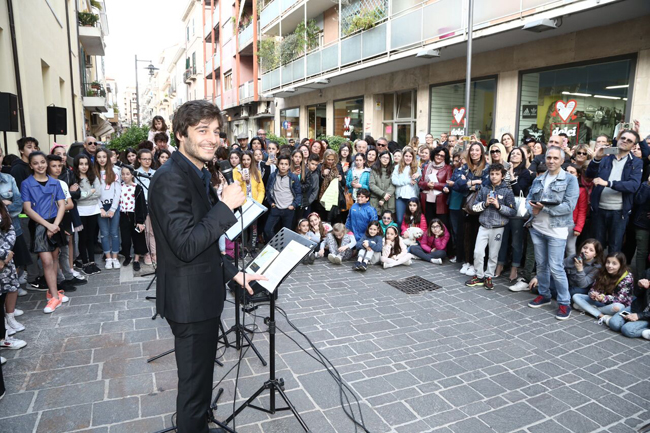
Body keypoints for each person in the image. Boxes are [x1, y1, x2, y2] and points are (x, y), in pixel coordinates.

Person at [148, 100, 264, 433]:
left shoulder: (196, 172)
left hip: (203, 295)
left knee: (199, 385)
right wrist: (225, 206)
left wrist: (234, 272)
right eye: (202, 130)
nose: (213, 138)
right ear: (179, 134)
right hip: (190, 302)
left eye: (216, 131)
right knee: (194, 391)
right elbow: (185, 245)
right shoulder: (171, 179)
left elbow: (205, 243)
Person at [526, 146, 579, 320]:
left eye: (556, 158)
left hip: (557, 230)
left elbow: (569, 206)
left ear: (562, 161)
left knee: (556, 267)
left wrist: (545, 209)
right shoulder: (539, 179)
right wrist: (531, 209)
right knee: (541, 265)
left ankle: (564, 303)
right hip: (538, 228)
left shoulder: (570, 180)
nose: (551, 161)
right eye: (549, 158)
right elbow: (528, 200)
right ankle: (544, 294)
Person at [21, 152, 70, 313]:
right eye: (36, 163)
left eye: (42, 162)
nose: (40, 165)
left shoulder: (55, 183)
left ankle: (53, 291)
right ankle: (54, 297)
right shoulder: (26, 184)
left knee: (55, 259)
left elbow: (62, 205)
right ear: (31, 166)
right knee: (47, 261)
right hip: (39, 225)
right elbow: (28, 209)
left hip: (55, 223)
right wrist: (48, 226)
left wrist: (55, 225)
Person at [586, 129, 642, 253]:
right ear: (618, 139)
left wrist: (608, 183)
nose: (625, 141)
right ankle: (597, 271)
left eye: (629, 140)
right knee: (597, 246)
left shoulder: (636, 162)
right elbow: (589, 174)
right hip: (599, 209)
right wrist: (597, 159)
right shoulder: (606, 157)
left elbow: (633, 185)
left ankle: (611, 272)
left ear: (633, 145)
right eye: (623, 138)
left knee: (615, 247)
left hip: (619, 212)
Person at [465, 163, 516, 290]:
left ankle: (489, 276)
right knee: (478, 252)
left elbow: (512, 211)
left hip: (498, 227)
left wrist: (499, 206)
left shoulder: (507, 191)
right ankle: (479, 275)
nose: (494, 176)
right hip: (483, 226)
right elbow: (474, 207)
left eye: (497, 174)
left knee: (493, 254)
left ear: (502, 176)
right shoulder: (484, 189)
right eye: (492, 174)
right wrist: (485, 204)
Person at [496, 147, 533, 281]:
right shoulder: (503, 169)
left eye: (518, 154)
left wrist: (512, 176)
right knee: (502, 239)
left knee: (516, 242)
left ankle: (514, 267)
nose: (515, 155)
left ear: (523, 158)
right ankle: (500, 265)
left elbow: (519, 190)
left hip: (517, 209)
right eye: (513, 153)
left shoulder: (525, 173)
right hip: (502, 207)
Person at [572, 252, 634, 324]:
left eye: (614, 264)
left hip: (613, 304)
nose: (610, 266)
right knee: (576, 296)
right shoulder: (603, 271)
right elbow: (593, 288)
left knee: (618, 307)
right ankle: (601, 316)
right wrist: (593, 294)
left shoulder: (627, 277)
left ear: (621, 265)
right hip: (600, 302)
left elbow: (621, 299)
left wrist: (603, 298)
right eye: (608, 262)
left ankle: (588, 308)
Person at [458, 142, 490, 276]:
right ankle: (467, 261)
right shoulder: (465, 167)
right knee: (466, 234)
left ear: (481, 152)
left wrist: (469, 183)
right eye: (472, 150)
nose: (474, 153)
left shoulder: (487, 168)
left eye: (477, 150)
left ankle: (475, 264)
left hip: (480, 205)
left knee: (477, 236)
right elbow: (458, 184)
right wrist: (474, 182)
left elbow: (486, 185)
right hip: (466, 205)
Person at [74, 154, 102, 276]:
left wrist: (84, 194)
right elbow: (77, 196)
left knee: (91, 238)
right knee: (83, 238)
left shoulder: (93, 176)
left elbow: (99, 193)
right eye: (81, 164)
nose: (84, 167)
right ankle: (85, 263)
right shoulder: (74, 178)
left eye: (86, 164)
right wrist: (90, 192)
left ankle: (92, 262)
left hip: (93, 210)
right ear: (77, 165)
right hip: (80, 211)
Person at [94, 149, 122, 269]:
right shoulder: (93, 172)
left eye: (104, 157)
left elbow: (118, 191)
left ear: (108, 158)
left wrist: (113, 208)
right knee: (104, 234)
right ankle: (108, 257)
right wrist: (100, 208)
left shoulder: (115, 171)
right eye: (99, 157)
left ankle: (115, 257)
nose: (102, 159)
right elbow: (94, 192)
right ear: (96, 158)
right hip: (100, 206)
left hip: (113, 206)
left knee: (114, 233)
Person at [264, 155, 302, 241]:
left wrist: (293, 205)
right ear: (278, 164)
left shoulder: (293, 177)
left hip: (288, 209)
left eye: (286, 164)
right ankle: (276, 245)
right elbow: (268, 190)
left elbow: (299, 193)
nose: (283, 166)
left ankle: (283, 249)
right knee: (267, 230)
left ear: (289, 166)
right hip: (276, 207)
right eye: (281, 164)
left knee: (287, 233)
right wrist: (271, 203)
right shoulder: (273, 176)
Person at [233, 151, 265, 253]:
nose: (246, 162)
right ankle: (244, 247)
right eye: (244, 159)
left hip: (254, 204)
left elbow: (261, 189)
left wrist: (258, 202)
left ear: (251, 160)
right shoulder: (236, 171)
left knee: (254, 227)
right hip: (242, 203)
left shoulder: (257, 172)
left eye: (248, 159)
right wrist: (242, 179)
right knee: (243, 226)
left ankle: (252, 246)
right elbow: (234, 187)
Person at [608, 267, 650, 339]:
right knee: (614, 324)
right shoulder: (648, 273)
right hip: (638, 307)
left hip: (648, 316)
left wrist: (639, 316)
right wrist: (640, 286)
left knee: (627, 330)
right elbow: (636, 294)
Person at [119, 165, 147, 271]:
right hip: (123, 215)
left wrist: (140, 221)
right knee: (125, 239)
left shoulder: (137, 188)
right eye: (123, 174)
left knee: (137, 238)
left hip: (134, 216)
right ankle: (127, 256)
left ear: (132, 175)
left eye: (127, 174)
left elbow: (141, 205)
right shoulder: (119, 187)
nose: (125, 176)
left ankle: (136, 259)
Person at [419, 146, 451, 229]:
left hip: (440, 201)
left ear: (445, 157)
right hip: (427, 200)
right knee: (429, 225)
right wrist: (427, 185)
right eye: (437, 154)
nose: (439, 157)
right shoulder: (427, 167)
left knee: (441, 227)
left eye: (442, 155)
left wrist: (435, 185)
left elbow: (448, 184)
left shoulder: (447, 168)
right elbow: (420, 182)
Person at [135, 149, 156, 265]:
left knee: (153, 231)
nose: (147, 161)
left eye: (149, 159)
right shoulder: (135, 173)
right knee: (143, 231)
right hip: (141, 206)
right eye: (144, 159)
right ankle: (146, 253)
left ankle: (154, 252)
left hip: (154, 206)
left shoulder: (156, 172)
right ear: (139, 160)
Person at [392, 149, 421, 225]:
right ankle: (399, 236)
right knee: (399, 220)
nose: (408, 158)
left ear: (413, 157)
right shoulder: (397, 167)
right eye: (406, 156)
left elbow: (419, 181)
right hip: (400, 197)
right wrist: (408, 180)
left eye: (410, 156)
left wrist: (417, 178)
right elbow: (394, 181)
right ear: (403, 156)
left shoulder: (417, 168)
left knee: (412, 220)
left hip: (412, 197)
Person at [369, 151, 395, 216]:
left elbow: (393, 185)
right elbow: (371, 184)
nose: (385, 159)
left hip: (389, 200)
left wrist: (384, 198)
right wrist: (383, 194)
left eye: (387, 158)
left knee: (388, 221)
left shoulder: (393, 170)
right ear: (379, 158)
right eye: (383, 157)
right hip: (376, 199)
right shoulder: (374, 169)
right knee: (375, 221)